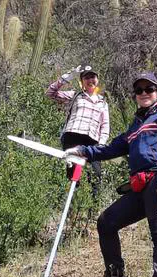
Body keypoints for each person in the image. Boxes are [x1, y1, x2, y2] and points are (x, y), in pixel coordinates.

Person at [64, 72, 157, 277]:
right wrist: (82, 151)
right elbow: (111, 148)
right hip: (140, 186)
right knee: (106, 222)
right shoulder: (136, 126)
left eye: (149, 89)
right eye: (139, 90)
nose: (144, 93)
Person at [46, 64, 110, 197]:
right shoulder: (75, 95)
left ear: (97, 80)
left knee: (95, 174)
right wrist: (69, 76)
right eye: (86, 78)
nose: (90, 80)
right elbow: (50, 93)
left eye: (92, 77)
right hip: (73, 135)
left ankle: (92, 209)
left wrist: (102, 143)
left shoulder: (103, 102)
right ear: (82, 82)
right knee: (73, 172)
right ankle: (70, 206)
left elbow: (105, 125)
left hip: (92, 140)